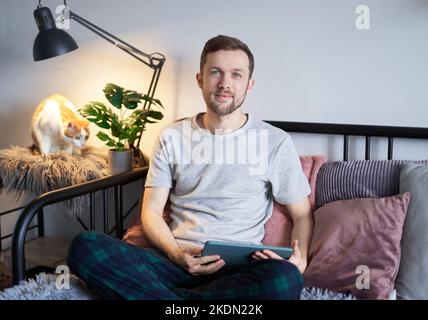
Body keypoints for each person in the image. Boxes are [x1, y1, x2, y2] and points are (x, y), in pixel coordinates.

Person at [67, 35, 314, 300]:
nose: (225, 84)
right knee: (85, 246)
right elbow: (151, 211)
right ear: (200, 79)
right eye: (215, 72)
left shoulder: (274, 141)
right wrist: (175, 253)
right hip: (174, 262)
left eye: (236, 75)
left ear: (249, 85)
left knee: (285, 280)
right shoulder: (172, 136)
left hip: (239, 269)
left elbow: (301, 214)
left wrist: (300, 261)